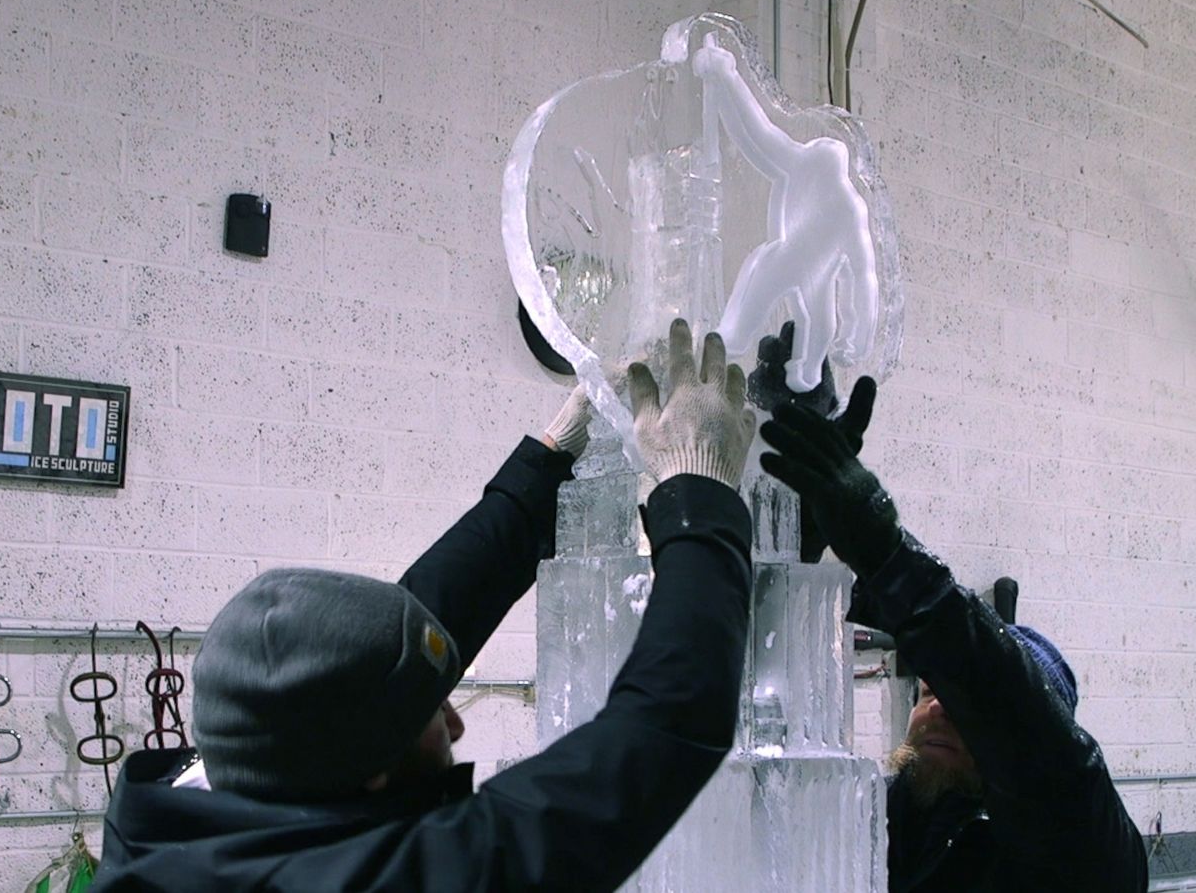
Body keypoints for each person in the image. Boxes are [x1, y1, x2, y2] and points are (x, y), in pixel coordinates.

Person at [94, 319, 757, 892]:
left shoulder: (199, 800)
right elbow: (659, 730)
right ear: (374, 774)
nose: (458, 725)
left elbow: (384, 653)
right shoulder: (388, 880)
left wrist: (548, 459)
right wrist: (699, 492)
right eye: (434, 713)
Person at [759, 378, 1149, 892]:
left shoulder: (1082, 849)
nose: (937, 708)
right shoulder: (886, 815)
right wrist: (789, 561)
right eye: (926, 691)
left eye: (963, 704)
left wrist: (887, 553)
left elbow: (1011, 703)